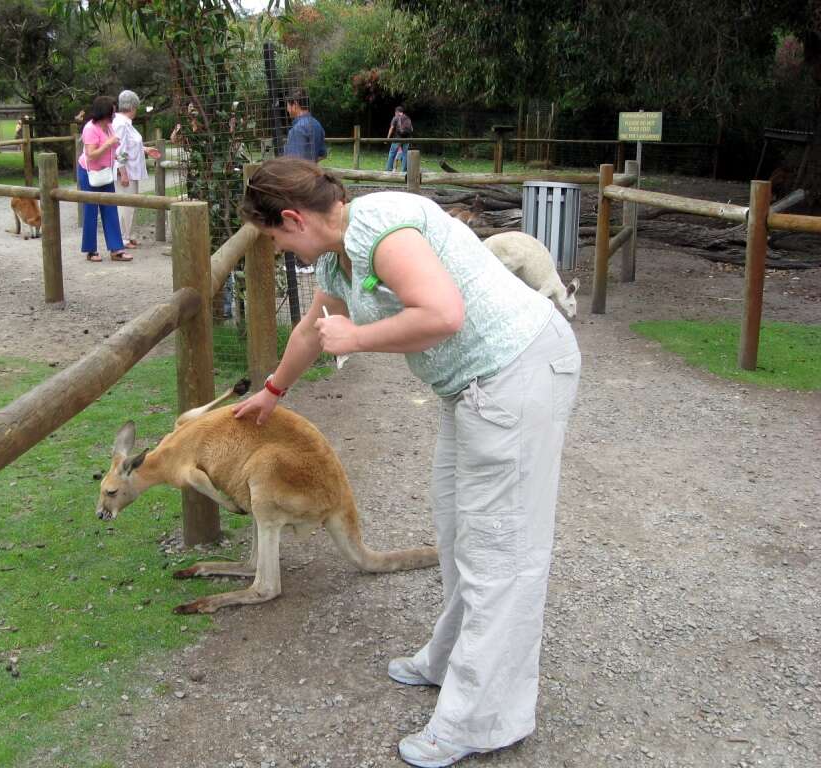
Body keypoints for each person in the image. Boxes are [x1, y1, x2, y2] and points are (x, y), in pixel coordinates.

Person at [234, 157, 581, 767]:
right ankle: (449, 657)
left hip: (516, 374)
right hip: (470, 391)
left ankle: (483, 719)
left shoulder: (382, 231)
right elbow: (314, 330)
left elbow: (444, 314)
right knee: (456, 531)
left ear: (292, 218)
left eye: (275, 237)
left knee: (500, 551)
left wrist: (360, 339)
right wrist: (272, 391)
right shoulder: (338, 255)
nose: (280, 248)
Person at [77, 95, 128, 262]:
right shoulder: (90, 129)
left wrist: (144, 150)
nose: (114, 115)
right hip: (89, 173)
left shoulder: (109, 127)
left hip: (105, 173)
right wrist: (108, 144)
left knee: (110, 208)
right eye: (111, 112)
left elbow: (116, 150)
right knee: (90, 210)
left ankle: (116, 249)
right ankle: (91, 250)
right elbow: (91, 155)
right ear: (104, 112)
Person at [113, 89, 163, 250]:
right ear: (133, 106)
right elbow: (119, 150)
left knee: (131, 204)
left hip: (132, 171)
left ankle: (129, 235)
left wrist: (146, 150)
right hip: (126, 172)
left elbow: (131, 145)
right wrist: (123, 173)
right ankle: (122, 238)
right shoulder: (120, 124)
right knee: (124, 205)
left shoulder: (127, 124)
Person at [282, 89, 326, 162]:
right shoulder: (317, 124)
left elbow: (293, 163)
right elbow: (322, 154)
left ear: (295, 105)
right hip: (312, 172)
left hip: (299, 172)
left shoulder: (297, 129)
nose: (287, 110)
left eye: (288, 105)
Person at [386, 106, 413, 172]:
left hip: (397, 138)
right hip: (407, 139)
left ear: (396, 112)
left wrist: (387, 138)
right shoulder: (407, 118)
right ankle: (404, 171)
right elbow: (412, 129)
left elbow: (392, 128)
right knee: (405, 154)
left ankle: (389, 169)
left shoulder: (395, 118)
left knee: (392, 153)